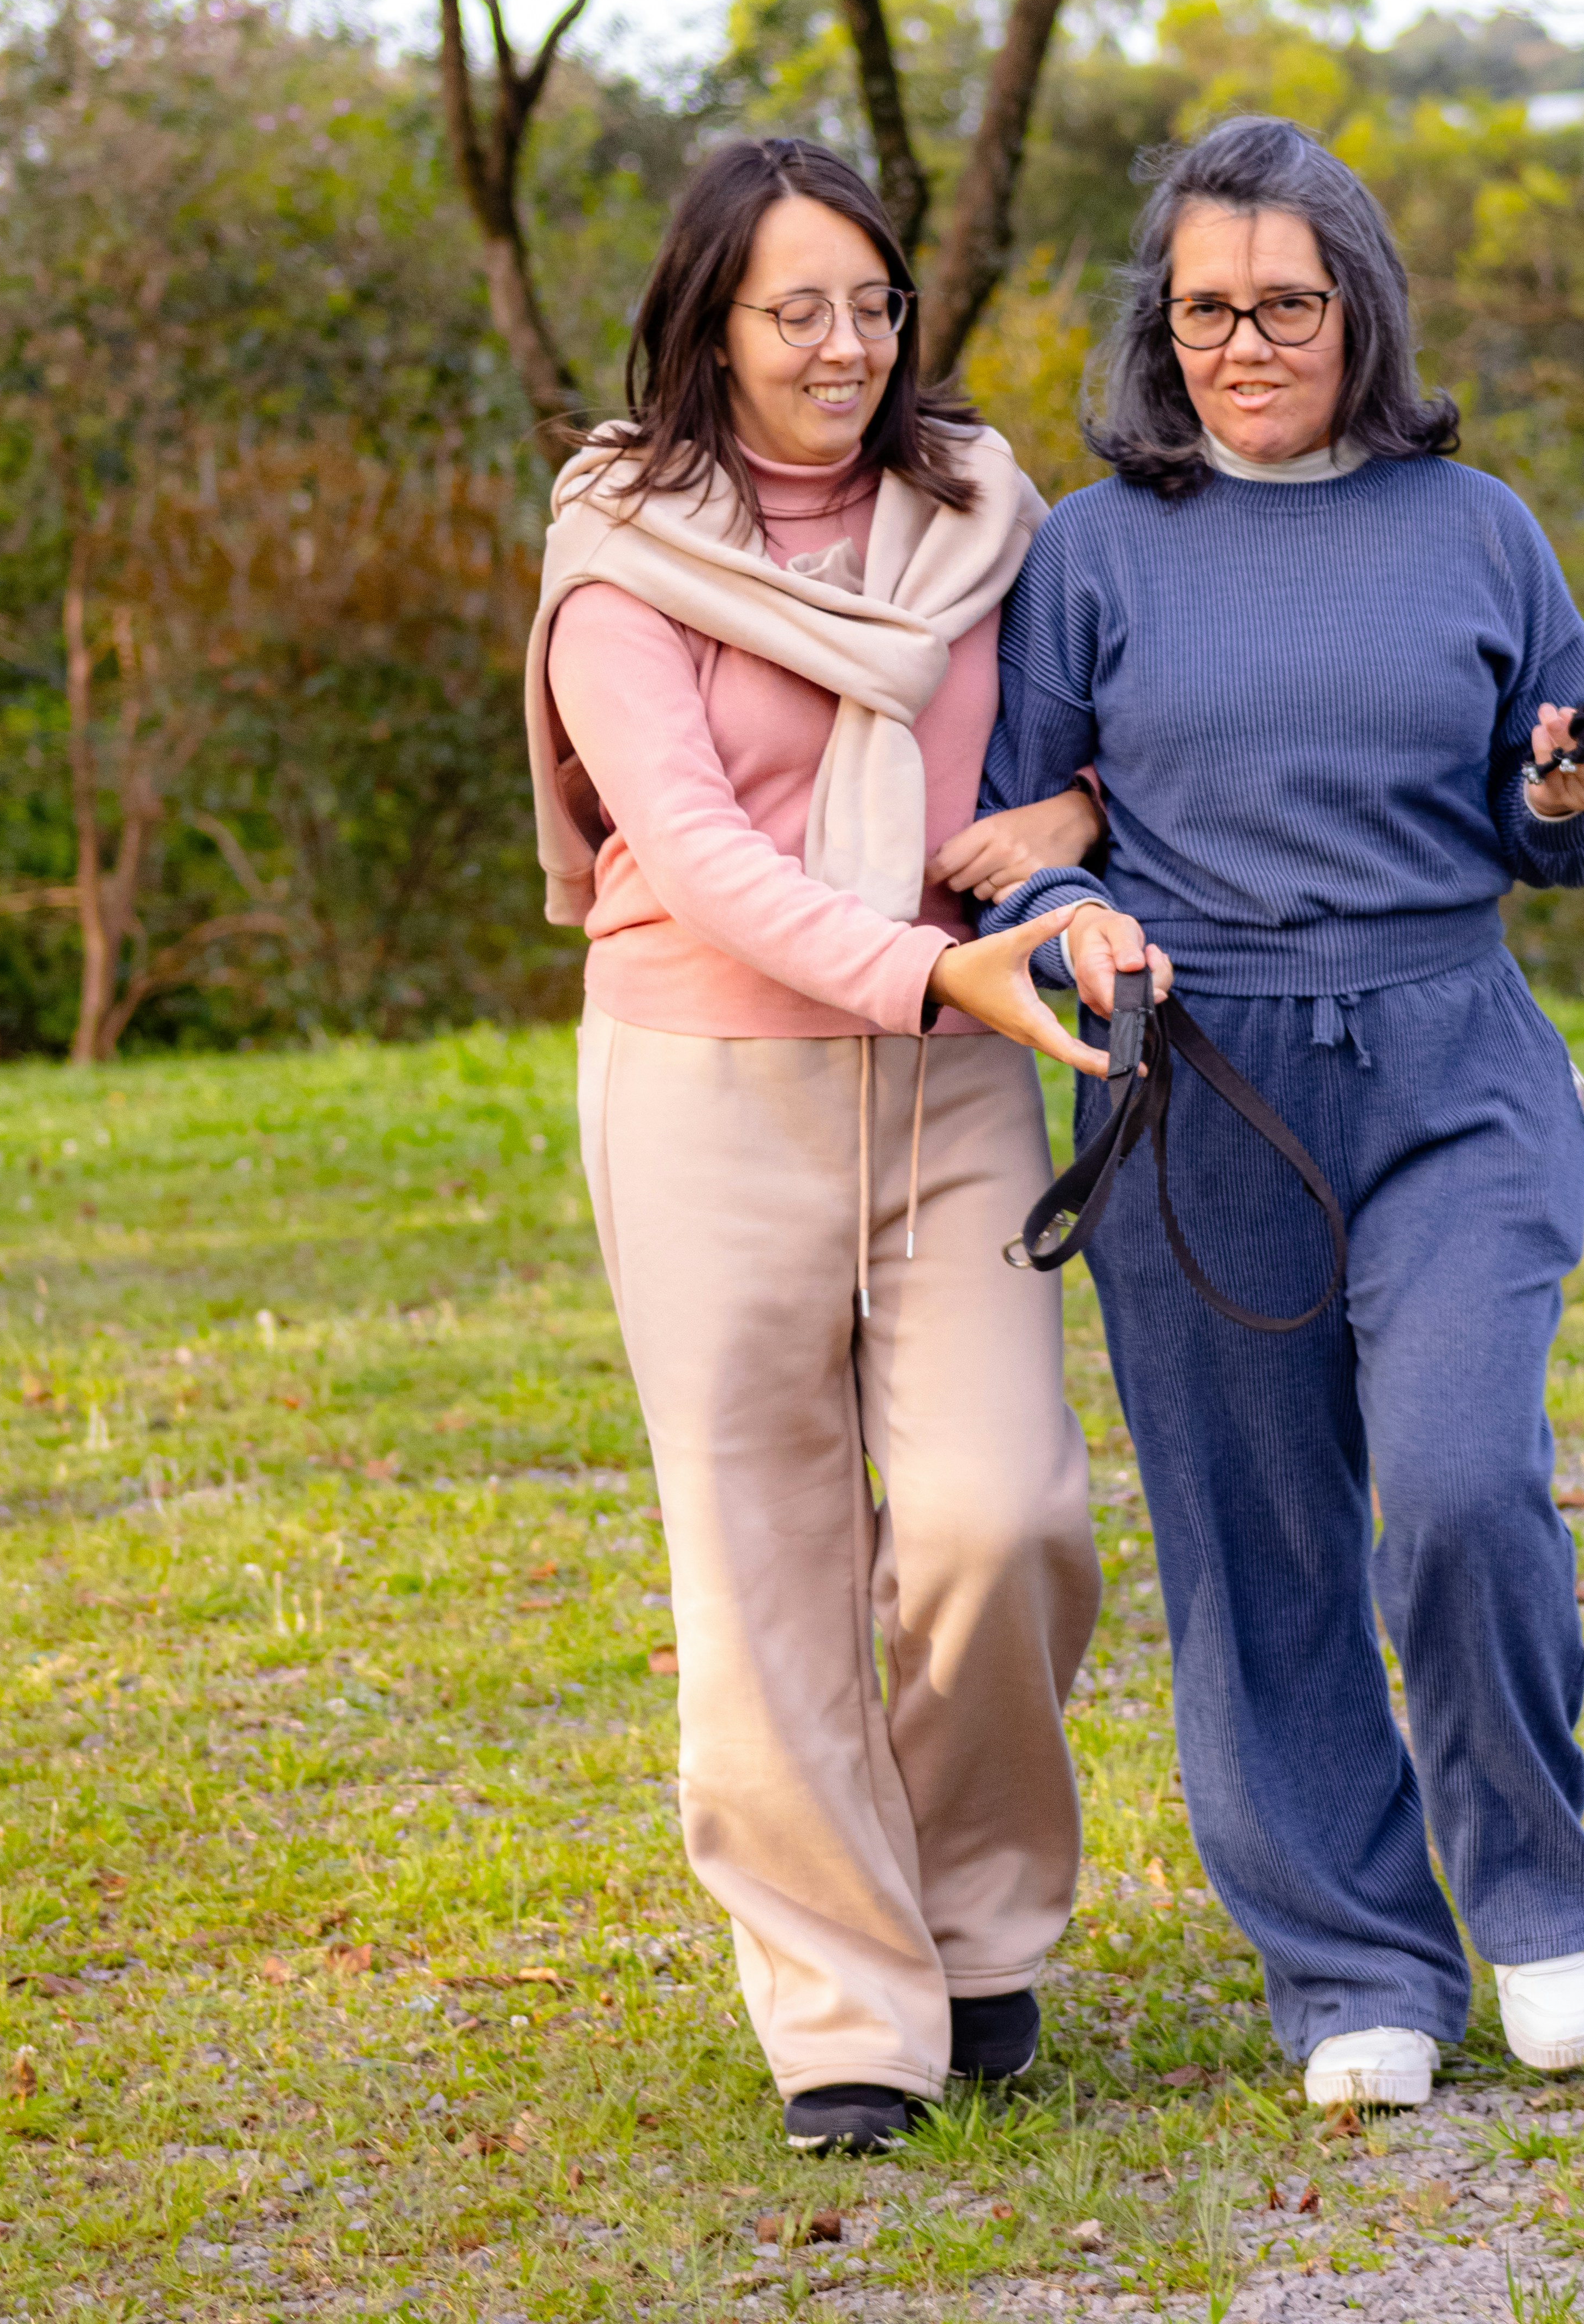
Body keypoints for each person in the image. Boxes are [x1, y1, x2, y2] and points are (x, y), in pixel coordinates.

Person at [965, 114, 1584, 2103]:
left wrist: (1572, 796)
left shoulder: (1478, 528)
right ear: (1158, 330)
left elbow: (1563, 821)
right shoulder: (1094, 555)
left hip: (1451, 1068)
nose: (1242, 347)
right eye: (1205, 313)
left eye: (1284, 306)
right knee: (1254, 1544)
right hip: (1202, 1090)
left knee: (1464, 1482)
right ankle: (1355, 1967)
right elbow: (1015, 840)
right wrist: (1074, 919)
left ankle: (1537, 1897)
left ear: (1360, 311)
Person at [524, 135, 1158, 2156]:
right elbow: (697, 851)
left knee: (1002, 1519)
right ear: (709, 324)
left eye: (873, 305)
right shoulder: (623, 555)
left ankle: (975, 1928)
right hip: (708, 1084)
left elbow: (1085, 731)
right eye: (796, 310)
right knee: (764, 1559)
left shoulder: (984, 513)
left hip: (960, 1076)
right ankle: (844, 2015)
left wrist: (1065, 829)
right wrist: (924, 969)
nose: (845, 346)